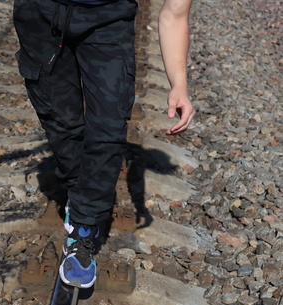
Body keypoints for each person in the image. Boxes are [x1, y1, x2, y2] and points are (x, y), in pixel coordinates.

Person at [13, 0, 195, 288]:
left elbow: (175, 12)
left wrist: (179, 83)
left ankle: (83, 227)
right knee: (61, 122)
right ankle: (78, 194)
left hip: (108, 21)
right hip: (40, 15)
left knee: (108, 128)